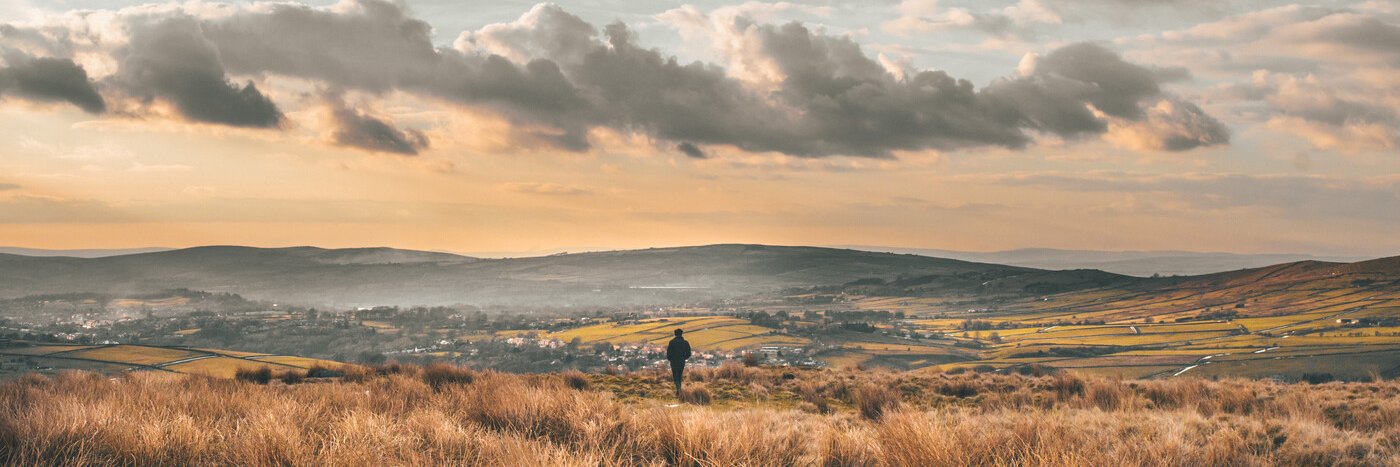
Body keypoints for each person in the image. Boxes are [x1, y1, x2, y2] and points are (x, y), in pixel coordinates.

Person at [665, 328, 691, 397]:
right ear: (681, 334)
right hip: (681, 361)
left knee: (675, 375)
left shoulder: (671, 342)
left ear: (675, 334)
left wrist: (670, 359)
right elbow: (688, 353)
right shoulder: (685, 343)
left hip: (674, 361)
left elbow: (668, 353)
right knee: (679, 374)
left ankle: (678, 389)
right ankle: (679, 389)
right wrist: (684, 358)